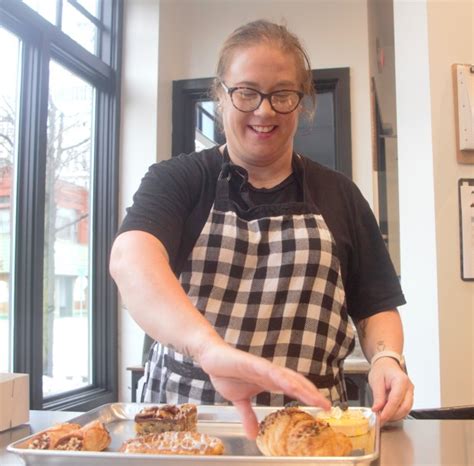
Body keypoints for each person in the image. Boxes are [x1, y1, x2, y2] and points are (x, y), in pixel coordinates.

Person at [110, 19, 414, 439]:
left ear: (302, 102)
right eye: (247, 92)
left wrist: (387, 359)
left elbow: (376, 305)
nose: (264, 110)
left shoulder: (340, 194)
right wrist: (210, 351)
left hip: (311, 430)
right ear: (220, 95)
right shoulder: (178, 180)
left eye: (282, 94)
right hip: (183, 425)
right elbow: (131, 260)